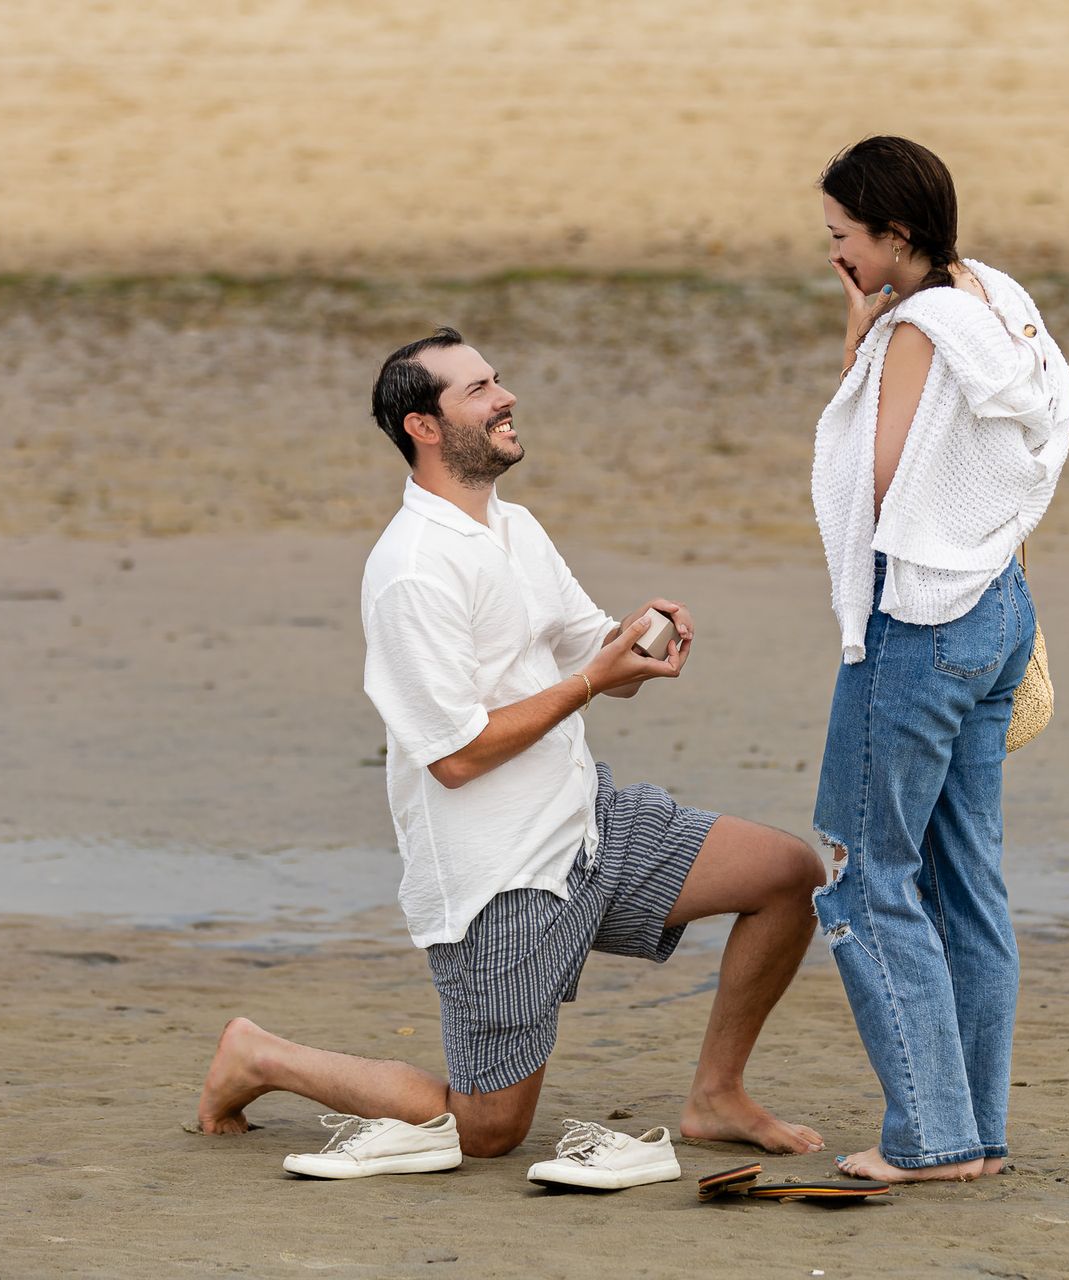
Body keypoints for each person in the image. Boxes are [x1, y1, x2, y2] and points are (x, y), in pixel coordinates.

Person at [196, 328, 826, 1163]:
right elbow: (455, 758)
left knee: (789, 875)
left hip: (585, 824)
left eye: (499, 380)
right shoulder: (412, 568)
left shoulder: (512, 527)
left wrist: (639, 641)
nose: (506, 398)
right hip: (498, 880)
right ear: (423, 427)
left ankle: (717, 1097)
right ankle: (260, 1054)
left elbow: (588, 652)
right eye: (478, 390)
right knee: (487, 1132)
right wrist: (593, 682)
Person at [808, 137, 1069, 1183]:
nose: (833, 253)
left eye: (844, 237)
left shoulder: (915, 329)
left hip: (919, 622)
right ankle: (978, 1127)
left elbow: (873, 483)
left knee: (862, 873)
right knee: (967, 877)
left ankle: (932, 1136)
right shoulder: (994, 296)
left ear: (897, 234)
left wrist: (860, 338)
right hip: (999, 603)